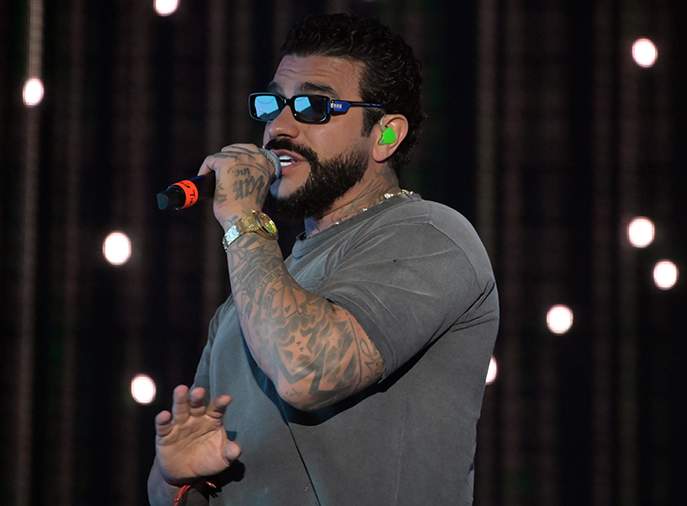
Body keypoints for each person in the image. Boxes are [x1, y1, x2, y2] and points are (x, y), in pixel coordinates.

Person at [146, 13, 499, 506]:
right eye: (273, 104)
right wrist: (175, 480)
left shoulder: (431, 235)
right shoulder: (249, 292)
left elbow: (307, 373)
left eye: (313, 106)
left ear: (386, 135)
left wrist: (243, 218)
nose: (279, 127)